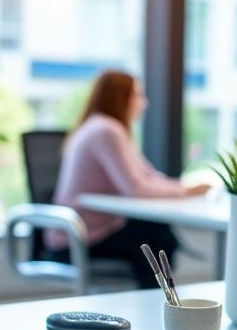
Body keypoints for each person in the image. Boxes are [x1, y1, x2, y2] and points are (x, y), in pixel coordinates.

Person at [47, 70, 209, 288]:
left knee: (157, 233)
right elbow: (136, 188)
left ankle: (159, 304)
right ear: (121, 98)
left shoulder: (101, 127)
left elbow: (148, 177)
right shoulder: (106, 130)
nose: (144, 103)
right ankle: (157, 306)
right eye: (138, 95)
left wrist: (183, 187)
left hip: (83, 232)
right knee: (157, 239)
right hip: (77, 239)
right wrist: (185, 192)